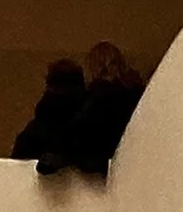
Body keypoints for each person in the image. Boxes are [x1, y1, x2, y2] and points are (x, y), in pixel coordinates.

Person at [11, 43, 147, 178]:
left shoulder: (98, 97)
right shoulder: (136, 95)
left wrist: (56, 155)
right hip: (126, 161)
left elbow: (77, 131)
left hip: (89, 164)